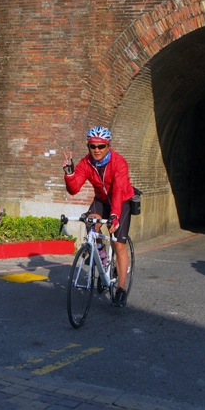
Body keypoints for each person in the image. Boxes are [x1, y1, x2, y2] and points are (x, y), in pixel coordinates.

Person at [62, 126, 135, 307]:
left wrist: (115, 216)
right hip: (101, 200)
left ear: (108, 146)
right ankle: (102, 258)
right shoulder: (86, 163)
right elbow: (74, 189)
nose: (96, 150)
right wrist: (70, 173)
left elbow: (118, 191)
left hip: (122, 201)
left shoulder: (119, 162)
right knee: (90, 223)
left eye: (101, 146)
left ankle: (121, 289)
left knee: (119, 244)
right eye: (92, 146)